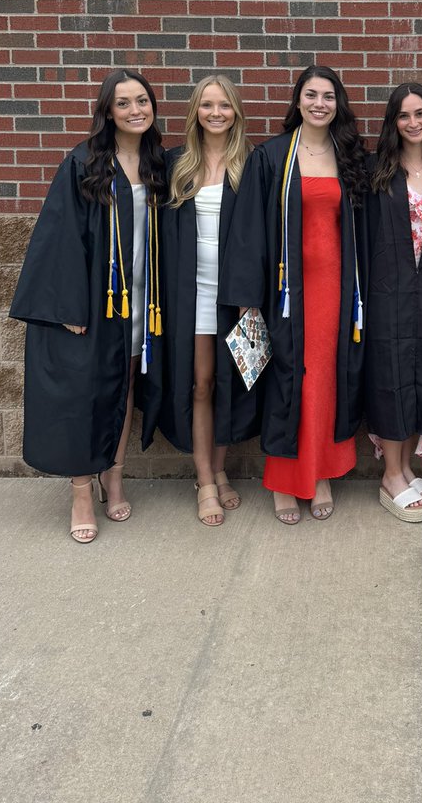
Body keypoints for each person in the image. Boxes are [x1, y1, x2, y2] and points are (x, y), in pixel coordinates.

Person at [10, 69, 165, 543]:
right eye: (124, 103)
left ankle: (113, 478)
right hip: (97, 305)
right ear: (108, 112)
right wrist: (70, 308)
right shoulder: (84, 164)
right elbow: (61, 240)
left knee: (125, 388)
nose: (136, 110)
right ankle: (82, 491)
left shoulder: (159, 164)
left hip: (143, 300)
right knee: (85, 394)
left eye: (143, 101)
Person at [220, 65, 369, 524]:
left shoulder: (349, 157)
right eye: (311, 95)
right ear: (298, 101)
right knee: (290, 379)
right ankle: (285, 480)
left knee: (326, 379)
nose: (320, 103)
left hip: (338, 291)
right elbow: (247, 231)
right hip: (286, 293)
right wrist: (248, 298)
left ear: (337, 103)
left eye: (328, 95)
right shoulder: (274, 157)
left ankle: (321, 471)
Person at [160, 74, 257, 526]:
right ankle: (204, 482)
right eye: (207, 105)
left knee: (228, 384)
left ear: (236, 112)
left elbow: (262, 236)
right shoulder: (175, 164)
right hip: (191, 292)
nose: (216, 113)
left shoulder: (252, 164)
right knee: (200, 383)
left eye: (224, 106)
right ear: (195, 112)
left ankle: (219, 470)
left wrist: (250, 294)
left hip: (234, 294)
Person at [366, 83, 422, 521]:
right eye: (404, 115)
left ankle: (405, 468)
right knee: (392, 374)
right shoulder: (378, 172)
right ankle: (391, 474)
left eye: (420, 113)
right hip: (388, 292)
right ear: (393, 122)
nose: (413, 122)